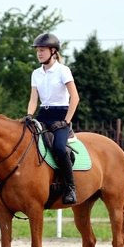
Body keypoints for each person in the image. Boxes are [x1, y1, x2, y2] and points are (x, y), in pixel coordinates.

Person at [25, 33, 80, 204]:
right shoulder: (36, 73)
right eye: (37, 51)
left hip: (61, 115)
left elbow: (75, 97)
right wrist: (29, 114)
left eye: (42, 50)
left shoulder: (63, 71)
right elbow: (34, 99)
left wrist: (67, 120)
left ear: (53, 51)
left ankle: (70, 187)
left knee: (58, 148)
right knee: (28, 144)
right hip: (43, 114)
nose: (39, 54)